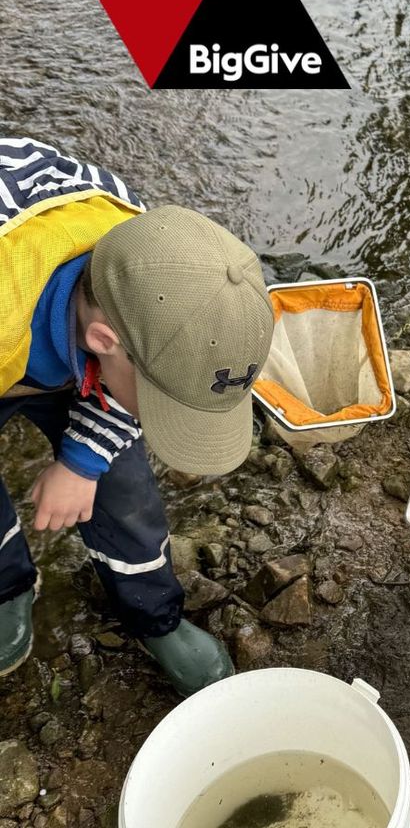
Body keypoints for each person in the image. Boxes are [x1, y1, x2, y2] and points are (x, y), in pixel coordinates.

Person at [0, 137, 274, 696]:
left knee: (119, 482)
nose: (162, 417)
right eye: (162, 401)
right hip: (12, 329)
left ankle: (155, 616)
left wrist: (81, 460)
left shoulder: (153, 255)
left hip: (58, 329)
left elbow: (132, 382)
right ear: (103, 340)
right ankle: (6, 586)